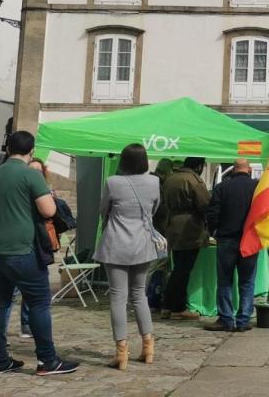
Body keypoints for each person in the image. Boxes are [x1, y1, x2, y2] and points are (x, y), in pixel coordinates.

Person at [0, 131, 78, 376]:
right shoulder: (31, 175)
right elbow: (47, 211)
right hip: (22, 249)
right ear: (31, 151)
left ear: (8, 148)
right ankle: (47, 360)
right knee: (39, 304)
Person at [95, 143, 161, 370]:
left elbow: (103, 210)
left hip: (115, 243)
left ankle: (121, 353)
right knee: (139, 295)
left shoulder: (113, 182)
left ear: (123, 161)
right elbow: (154, 210)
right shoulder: (154, 182)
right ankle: (148, 347)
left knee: (117, 297)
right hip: (142, 243)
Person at [204, 159, 259, 331]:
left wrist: (213, 231)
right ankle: (243, 320)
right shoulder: (257, 188)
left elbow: (212, 213)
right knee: (247, 281)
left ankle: (226, 319)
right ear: (249, 170)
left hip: (226, 239)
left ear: (233, 170)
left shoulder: (222, 187)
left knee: (225, 281)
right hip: (249, 240)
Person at [157, 157, 210, 320]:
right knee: (183, 270)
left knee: (178, 268)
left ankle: (168, 306)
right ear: (199, 166)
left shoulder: (171, 178)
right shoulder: (194, 180)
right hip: (189, 228)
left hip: (172, 225)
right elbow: (205, 203)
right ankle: (176, 307)